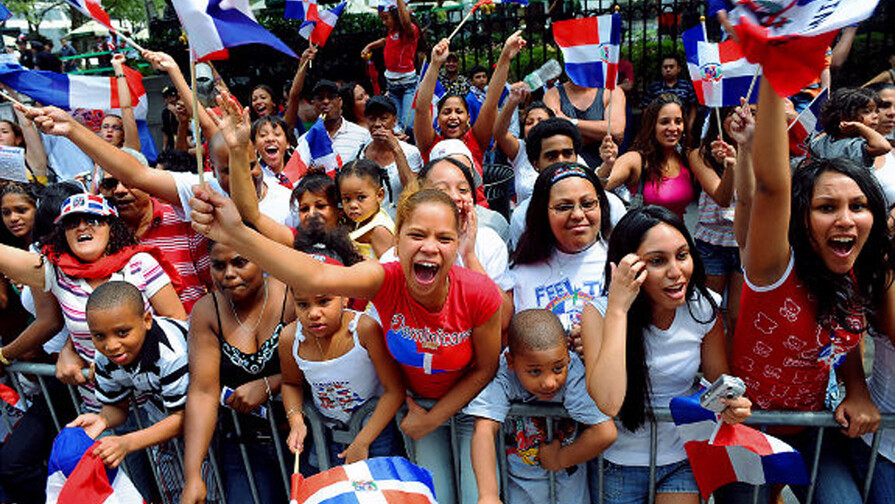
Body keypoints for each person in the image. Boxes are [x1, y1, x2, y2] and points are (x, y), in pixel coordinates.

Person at [188, 186, 503, 504]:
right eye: (417, 235)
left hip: (467, 407)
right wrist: (236, 232)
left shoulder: (480, 294)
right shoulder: (383, 279)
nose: (430, 248)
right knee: (436, 498)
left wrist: (433, 419)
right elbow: (316, 276)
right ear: (396, 239)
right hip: (416, 407)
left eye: (444, 239)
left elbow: (486, 368)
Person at [723, 76, 889, 502]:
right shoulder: (772, 269)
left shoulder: (855, 274)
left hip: (815, 427)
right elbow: (768, 189)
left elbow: (845, 335)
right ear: (800, 218)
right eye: (827, 207)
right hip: (746, 427)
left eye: (859, 206)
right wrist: (777, 67)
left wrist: (857, 389)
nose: (847, 220)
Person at [580, 205, 752, 504]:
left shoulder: (703, 306)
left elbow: (718, 384)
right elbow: (608, 402)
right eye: (658, 261)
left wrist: (733, 405)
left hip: (683, 457)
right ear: (627, 266)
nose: (676, 272)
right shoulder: (598, 312)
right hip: (618, 464)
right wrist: (619, 309)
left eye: (682, 255)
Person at [21, 103, 294, 226]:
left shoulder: (287, 202)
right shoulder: (204, 188)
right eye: (228, 170)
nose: (242, 177)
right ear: (212, 169)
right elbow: (136, 173)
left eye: (249, 165)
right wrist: (72, 129)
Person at [181, 240, 296, 504]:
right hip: (244, 446)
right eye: (219, 266)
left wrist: (271, 384)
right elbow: (202, 392)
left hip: (302, 440)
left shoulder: (289, 296)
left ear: (261, 259)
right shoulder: (207, 311)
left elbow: (318, 365)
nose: (229, 274)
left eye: (240, 262)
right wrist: (193, 475)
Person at [466, 309, 617, 504]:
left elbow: (605, 433)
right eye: (535, 371)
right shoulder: (504, 371)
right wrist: (488, 495)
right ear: (511, 362)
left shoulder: (573, 371)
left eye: (557, 368)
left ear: (568, 356)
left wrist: (560, 459)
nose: (549, 382)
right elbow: (484, 429)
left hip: (570, 487)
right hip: (521, 487)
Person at [281, 230, 404, 467]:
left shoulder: (364, 330)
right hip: (326, 435)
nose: (313, 313)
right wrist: (296, 421)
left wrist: (363, 441)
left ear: (345, 297)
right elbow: (290, 383)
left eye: (324, 301)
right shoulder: (290, 338)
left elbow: (394, 390)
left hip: (376, 433)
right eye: (302, 304)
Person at [67, 281, 196, 503]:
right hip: (162, 416)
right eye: (99, 336)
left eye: (122, 332)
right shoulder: (105, 359)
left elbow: (185, 418)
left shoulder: (171, 353)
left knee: (204, 488)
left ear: (146, 320)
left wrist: (127, 443)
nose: (111, 345)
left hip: (207, 418)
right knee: (172, 489)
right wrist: (101, 420)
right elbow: (117, 408)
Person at [511, 163, 614, 353]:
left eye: (588, 204)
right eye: (564, 207)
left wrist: (601, 340)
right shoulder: (518, 274)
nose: (577, 214)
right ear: (543, 213)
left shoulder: (620, 262)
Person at [97, 161, 211, 313]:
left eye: (128, 182)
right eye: (110, 183)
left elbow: (214, 284)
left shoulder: (182, 219)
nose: (119, 190)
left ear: (148, 184)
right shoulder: (98, 234)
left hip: (189, 331)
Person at [415, 33, 526, 176]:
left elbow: (491, 101)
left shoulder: (476, 140)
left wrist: (505, 56)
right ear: (437, 119)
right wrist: (435, 63)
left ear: (468, 118)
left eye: (459, 111)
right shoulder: (429, 144)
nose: (453, 117)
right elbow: (422, 109)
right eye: (447, 112)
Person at [508, 118, 627, 250]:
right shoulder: (522, 217)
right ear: (535, 164)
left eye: (567, 154)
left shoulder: (611, 205)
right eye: (551, 156)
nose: (561, 162)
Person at [688, 102, 755, 335]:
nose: (739, 118)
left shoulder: (762, 152)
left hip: (745, 243)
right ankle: (712, 367)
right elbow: (722, 198)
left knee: (738, 316)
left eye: (749, 113)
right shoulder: (700, 154)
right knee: (711, 312)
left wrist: (745, 151)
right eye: (731, 114)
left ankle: (734, 366)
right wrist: (730, 166)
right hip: (712, 244)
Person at [599, 94, 697, 218]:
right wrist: (607, 165)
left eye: (678, 121)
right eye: (664, 122)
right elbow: (598, 186)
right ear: (652, 126)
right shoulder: (636, 159)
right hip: (645, 236)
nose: (673, 128)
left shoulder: (686, 158)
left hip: (680, 235)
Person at [358, 95, 423, 213]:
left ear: (393, 121)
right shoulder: (360, 152)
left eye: (383, 118)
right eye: (372, 118)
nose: (377, 124)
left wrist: (396, 149)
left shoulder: (411, 152)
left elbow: (413, 190)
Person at [543, 77, 626, 168]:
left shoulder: (611, 91)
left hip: (604, 165)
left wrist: (570, 122)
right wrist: (600, 134)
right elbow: (554, 133)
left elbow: (616, 130)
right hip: (566, 166)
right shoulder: (553, 94)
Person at [362, 0, 419, 132]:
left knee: (408, 125)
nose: (384, 22)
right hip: (392, 86)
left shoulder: (409, 32)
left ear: (397, 15)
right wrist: (369, 46)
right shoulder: (392, 32)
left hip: (408, 86)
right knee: (396, 126)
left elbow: (405, 22)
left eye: (386, 18)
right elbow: (384, 41)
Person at [493, 83, 555, 203]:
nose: (534, 125)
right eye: (529, 122)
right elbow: (500, 133)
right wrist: (512, 102)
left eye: (540, 121)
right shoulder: (520, 150)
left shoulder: (565, 151)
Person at [810, 87, 891, 169]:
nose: (876, 116)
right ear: (845, 117)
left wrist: (860, 127)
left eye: (877, 111)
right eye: (867, 111)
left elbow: (885, 147)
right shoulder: (854, 145)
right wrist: (860, 127)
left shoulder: (860, 143)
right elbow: (884, 146)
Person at [298, 79, 372, 164]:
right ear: (313, 104)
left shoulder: (362, 136)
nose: (326, 101)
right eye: (320, 98)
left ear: (340, 102)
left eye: (331, 97)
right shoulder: (305, 141)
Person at [337, 158, 396, 259]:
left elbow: (389, 270)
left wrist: (354, 255)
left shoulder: (379, 230)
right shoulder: (364, 218)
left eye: (361, 197)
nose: (353, 205)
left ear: (380, 195)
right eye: (346, 199)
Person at [641, 55, 698, 142]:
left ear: (678, 69)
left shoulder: (687, 86)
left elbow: (693, 108)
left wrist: (689, 126)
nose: (668, 69)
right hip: (660, 129)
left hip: (682, 128)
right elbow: (646, 109)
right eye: (665, 67)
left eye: (671, 67)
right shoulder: (654, 88)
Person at [0, 107, 49, 183]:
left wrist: (14, 98)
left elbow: (27, 125)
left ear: (18, 139)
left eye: (4, 131)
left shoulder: (30, 161)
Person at [251, 115, 294, 188]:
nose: (270, 139)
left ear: (287, 143)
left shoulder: (300, 172)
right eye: (263, 135)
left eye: (277, 134)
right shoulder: (252, 177)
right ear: (254, 145)